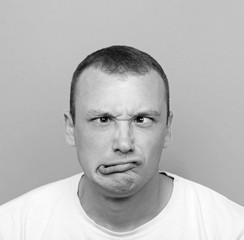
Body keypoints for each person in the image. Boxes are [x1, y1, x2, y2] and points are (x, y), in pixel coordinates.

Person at [0, 45, 243, 239]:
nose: (124, 144)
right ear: (71, 128)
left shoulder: (230, 230)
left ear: (167, 128)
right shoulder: (13, 228)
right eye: (103, 119)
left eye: (142, 119)